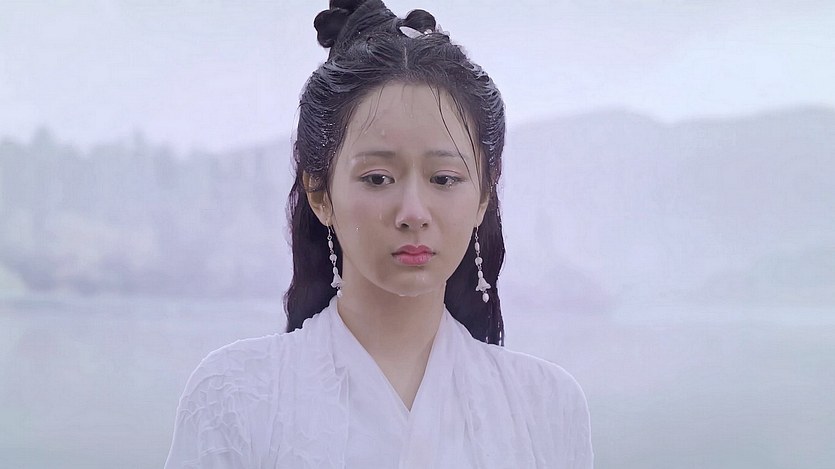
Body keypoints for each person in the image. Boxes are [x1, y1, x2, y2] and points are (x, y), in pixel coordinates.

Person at [164, 0, 593, 467]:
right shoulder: (236, 396)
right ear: (320, 193)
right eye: (377, 178)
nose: (413, 213)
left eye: (444, 178)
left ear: (484, 196)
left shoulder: (544, 406)